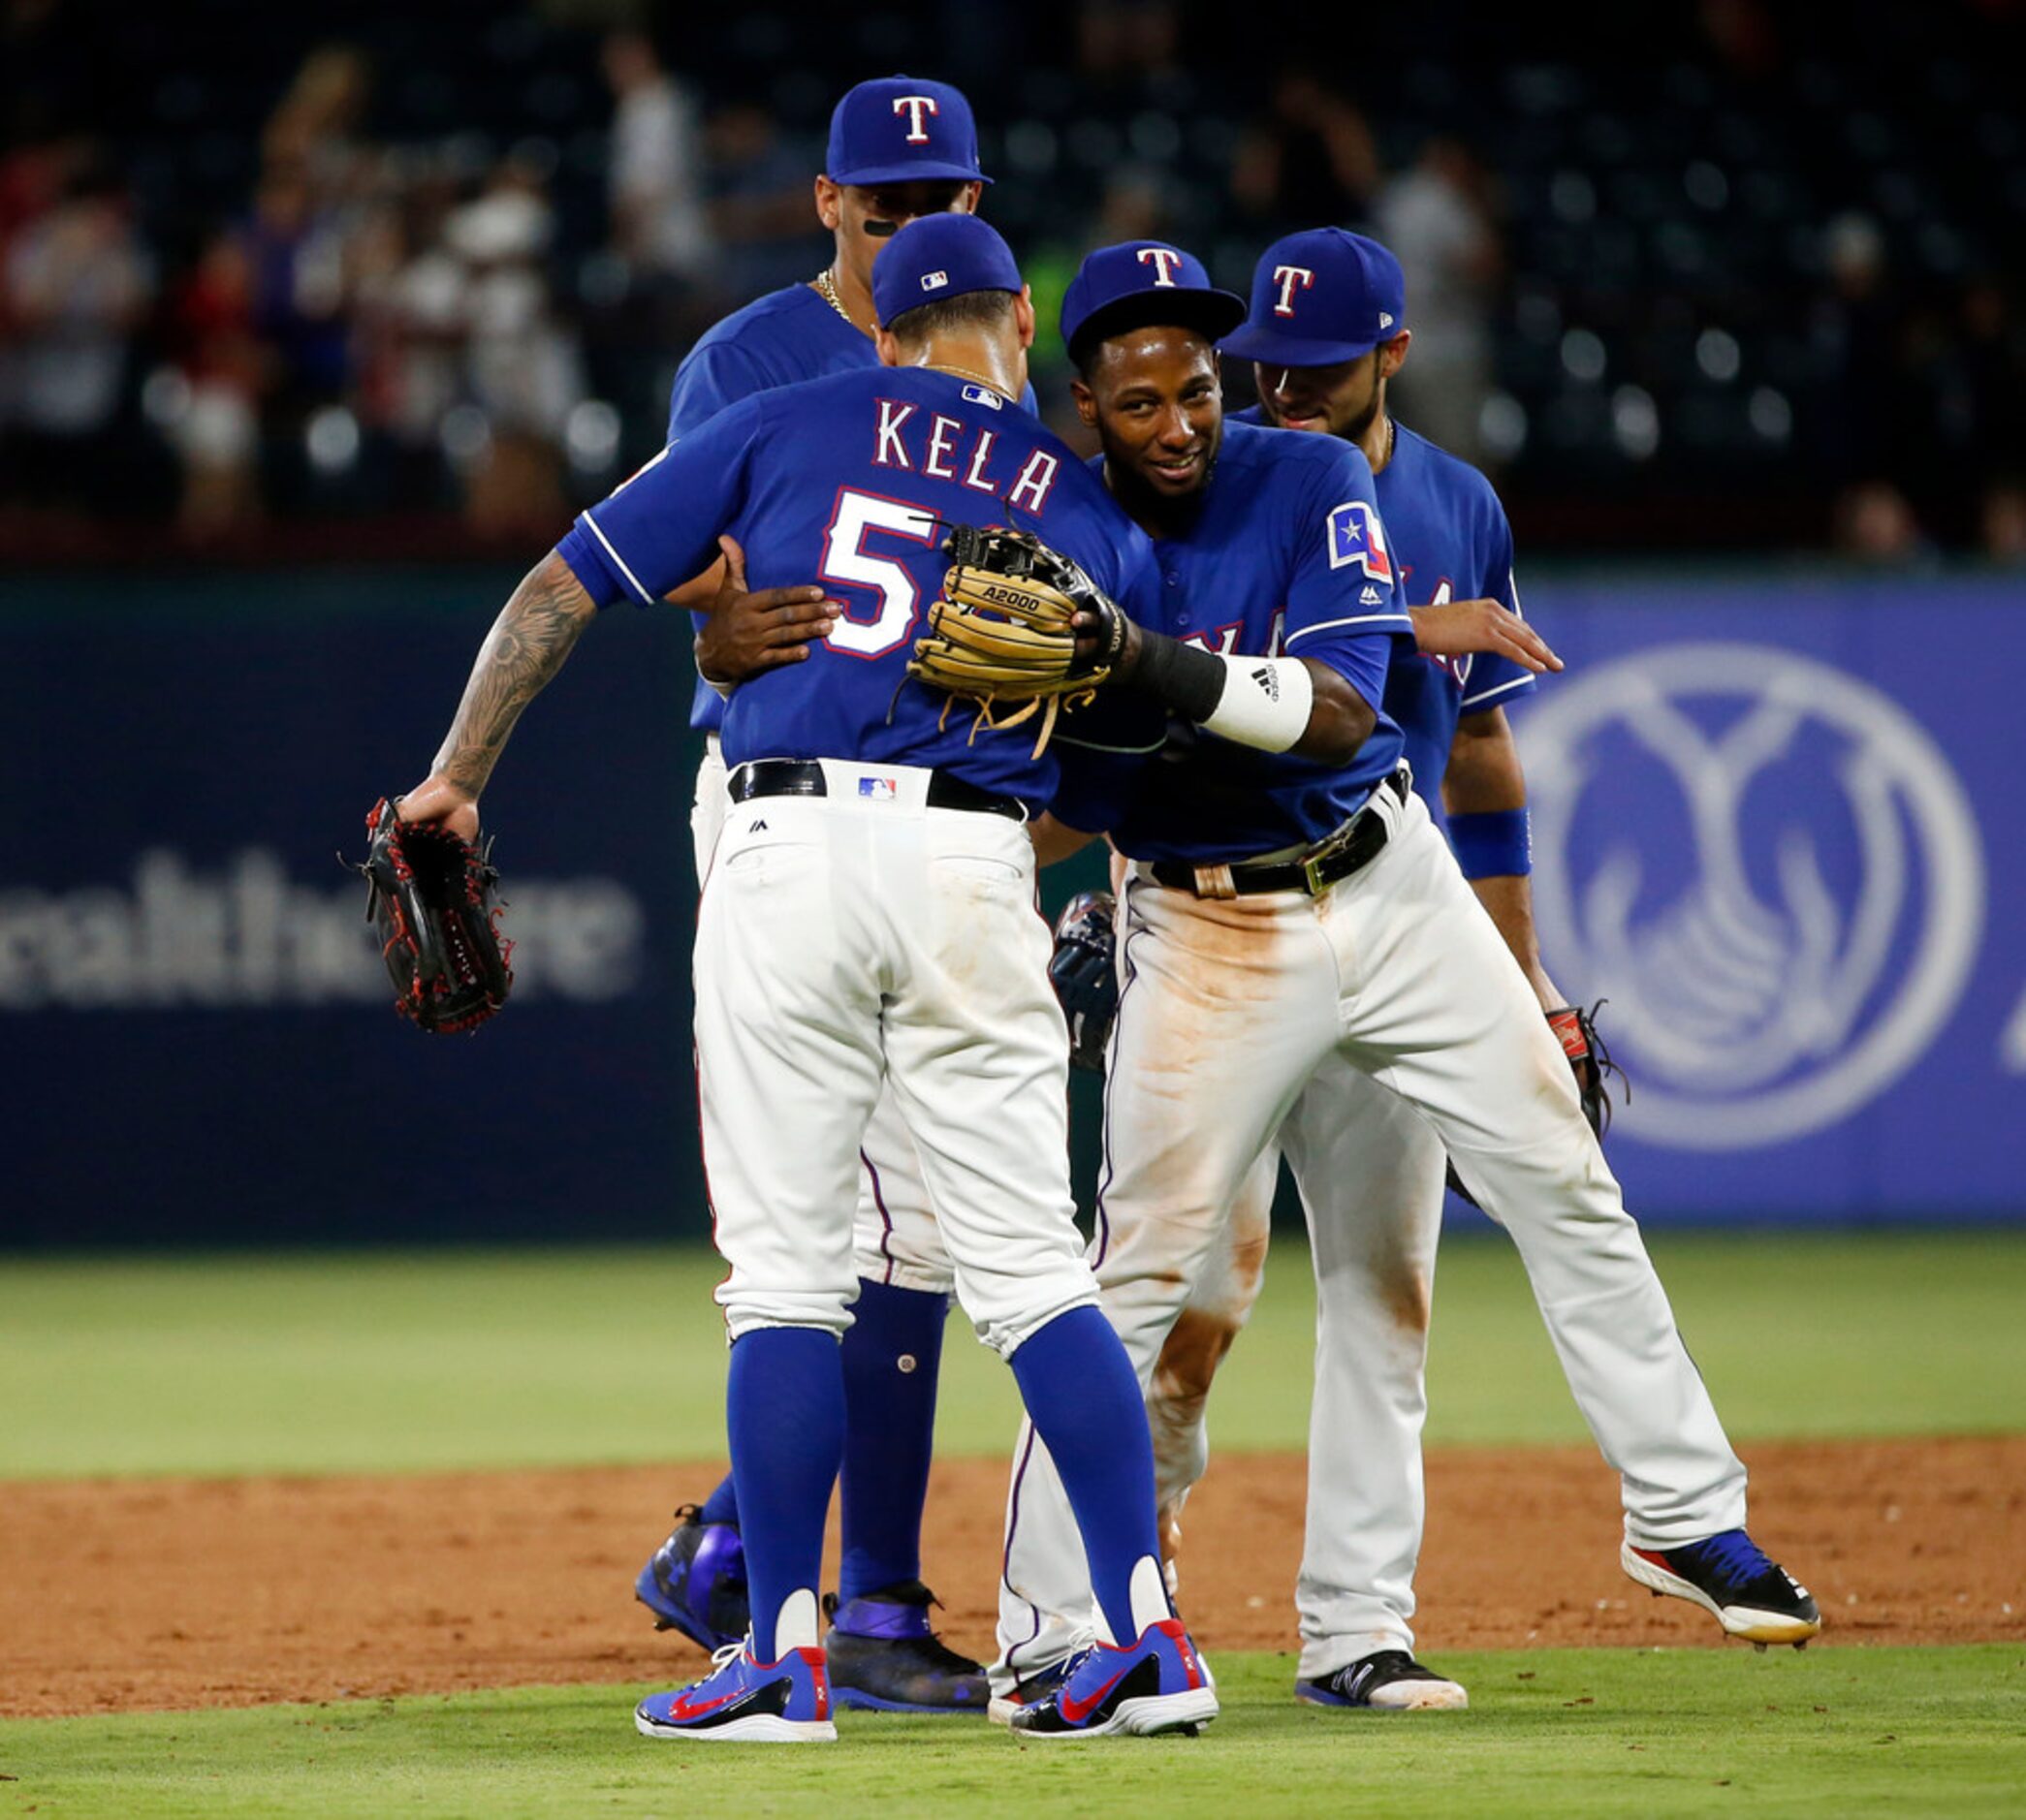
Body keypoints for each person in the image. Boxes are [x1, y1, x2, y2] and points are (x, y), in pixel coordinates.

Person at [393, 213, 1216, 1743]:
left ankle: (780, 1655)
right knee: (1035, 1270)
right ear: (1014, 335)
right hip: (979, 866)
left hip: (793, 837)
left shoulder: (785, 415)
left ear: (884, 330)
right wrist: (976, 846)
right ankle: (1149, 1637)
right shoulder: (1087, 510)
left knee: (785, 1272)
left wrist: (454, 779)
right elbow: (1108, 765)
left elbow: (562, 591)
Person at [987, 234, 1821, 1717]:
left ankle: (1665, 1514)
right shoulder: (1057, 528)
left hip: (1388, 876)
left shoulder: (1310, 478)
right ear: (1085, 404)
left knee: (1539, 1184)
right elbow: (1069, 790)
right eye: (1140, 399)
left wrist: (1144, 673)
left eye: (1197, 385)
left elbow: (1341, 707)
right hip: (1206, 927)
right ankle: (1051, 1626)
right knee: (1137, 1282)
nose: (1180, 421)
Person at [633, 75, 1035, 1716]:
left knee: (911, 1220)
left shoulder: (997, 352)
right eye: (883, 207)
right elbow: (692, 579)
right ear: (824, 204)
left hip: (935, 819)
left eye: (939, 203)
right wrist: (702, 622)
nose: (908, 229)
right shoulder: (746, 360)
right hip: (786, 807)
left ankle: (751, 1548)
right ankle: (849, 1598)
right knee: (850, 1220)